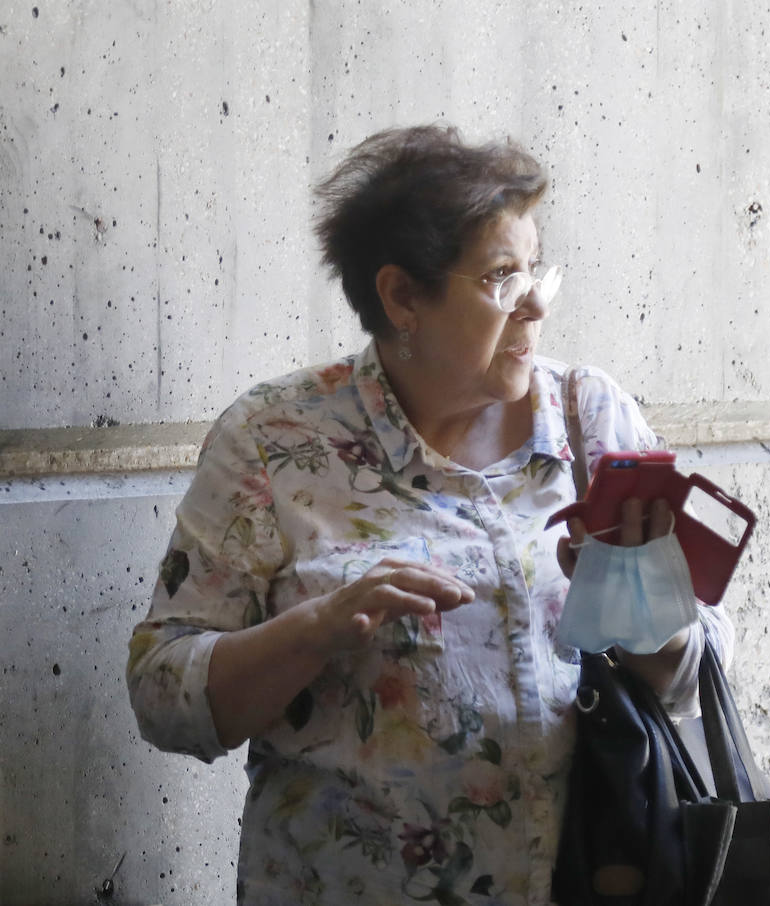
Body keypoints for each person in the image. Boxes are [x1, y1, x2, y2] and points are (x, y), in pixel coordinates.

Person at [126, 124, 731, 906]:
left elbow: (697, 676)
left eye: (535, 271)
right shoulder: (276, 440)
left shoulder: (589, 419)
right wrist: (315, 631)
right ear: (402, 296)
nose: (534, 306)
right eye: (499, 280)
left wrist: (642, 604)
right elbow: (162, 694)